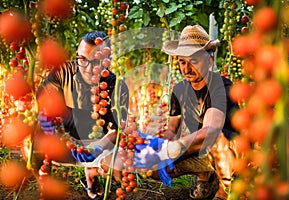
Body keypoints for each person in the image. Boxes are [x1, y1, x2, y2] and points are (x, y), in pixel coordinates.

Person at [134, 25, 238, 200]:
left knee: (214, 139)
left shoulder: (221, 87)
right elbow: (171, 130)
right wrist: (154, 146)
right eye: (183, 62)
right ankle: (206, 177)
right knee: (153, 169)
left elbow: (211, 131)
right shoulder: (180, 90)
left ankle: (227, 190)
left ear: (209, 60)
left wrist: (170, 149)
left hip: (232, 151)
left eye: (194, 61)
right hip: (203, 151)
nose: (187, 69)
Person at [38, 31, 129, 200]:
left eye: (95, 62)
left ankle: (92, 172)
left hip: (94, 142)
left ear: (106, 61)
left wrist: (99, 147)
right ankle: (45, 171)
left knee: (119, 153)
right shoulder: (60, 74)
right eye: (82, 59)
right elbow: (43, 105)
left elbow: (118, 131)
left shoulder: (117, 86)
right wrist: (48, 125)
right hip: (60, 140)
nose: (87, 67)